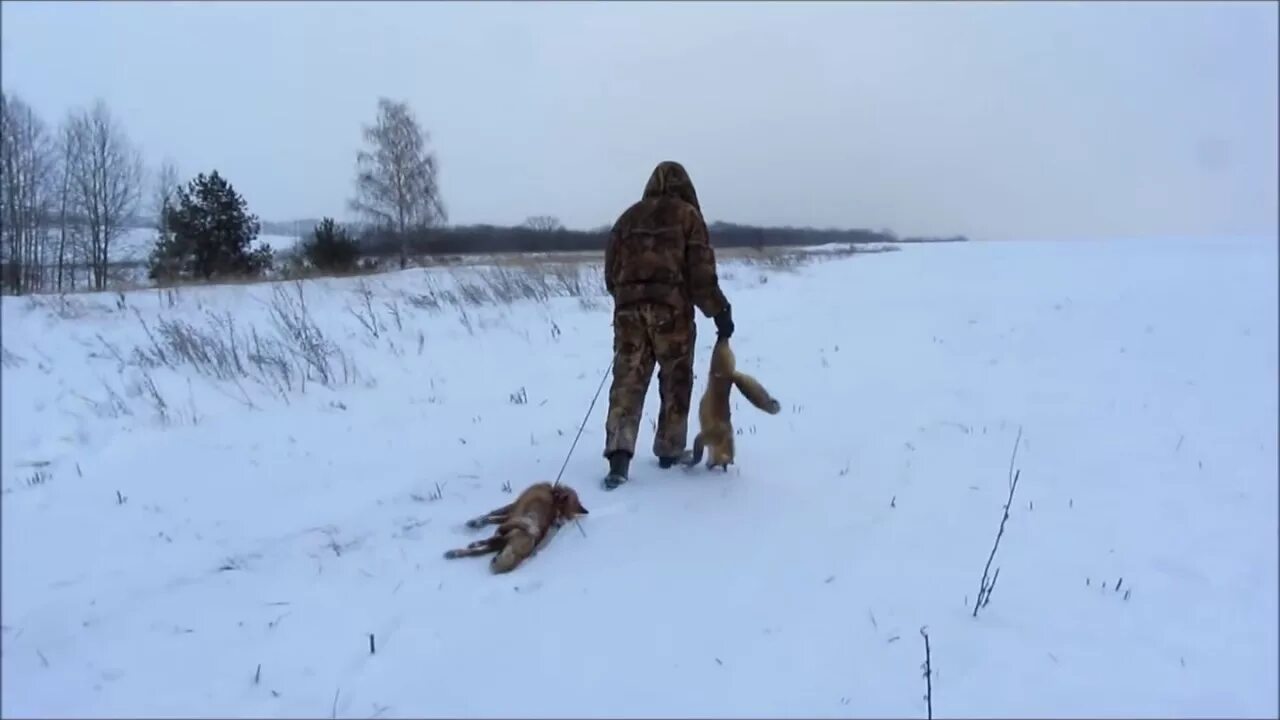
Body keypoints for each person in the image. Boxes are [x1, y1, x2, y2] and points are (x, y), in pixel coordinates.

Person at [600, 161, 734, 490]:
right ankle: (670, 450)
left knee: (627, 381)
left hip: (628, 315)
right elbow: (701, 278)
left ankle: (619, 457)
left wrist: (629, 299)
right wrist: (720, 312)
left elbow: (610, 275)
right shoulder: (688, 217)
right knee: (675, 380)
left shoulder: (627, 218)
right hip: (671, 315)